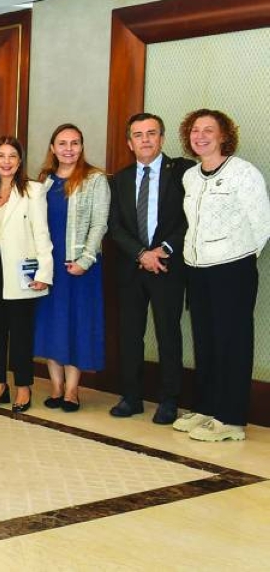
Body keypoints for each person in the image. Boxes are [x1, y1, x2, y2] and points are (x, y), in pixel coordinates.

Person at [175, 109, 270, 442]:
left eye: (208, 130)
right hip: (197, 270)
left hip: (233, 269)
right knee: (205, 341)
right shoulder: (190, 176)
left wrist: (237, 258)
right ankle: (207, 408)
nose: (200, 136)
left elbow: (261, 224)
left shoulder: (243, 173)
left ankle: (231, 419)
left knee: (232, 343)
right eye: (195, 130)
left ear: (223, 135)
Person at [108, 113, 189, 424]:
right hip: (131, 267)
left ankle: (169, 400)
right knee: (130, 335)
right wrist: (141, 253)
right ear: (130, 143)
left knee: (168, 333)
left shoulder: (182, 173)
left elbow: (188, 218)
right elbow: (115, 226)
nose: (145, 139)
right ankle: (131, 396)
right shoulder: (120, 179)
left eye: (151, 133)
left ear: (162, 138)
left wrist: (162, 251)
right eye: (138, 135)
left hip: (167, 266)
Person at [0, 136, 54, 413]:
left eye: (12, 157)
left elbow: (42, 233)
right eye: (0, 156)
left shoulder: (33, 190)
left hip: (21, 269)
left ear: (20, 161)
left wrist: (45, 271)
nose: (6, 162)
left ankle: (23, 387)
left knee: (20, 332)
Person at [33, 124, 110, 413]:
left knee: (76, 324)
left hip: (79, 268)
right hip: (50, 267)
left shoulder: (95, 179)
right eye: (62, 143)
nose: (68, 148)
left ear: (81, 147)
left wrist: (85, 260)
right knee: (51, 325)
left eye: (74, 143)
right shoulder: (44, 181)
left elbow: (100, 223)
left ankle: (72, 390)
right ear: (52, 148)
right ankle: (55, 387)